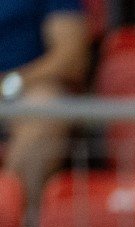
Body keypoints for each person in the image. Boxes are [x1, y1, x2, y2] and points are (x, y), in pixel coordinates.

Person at [0, 0, 88, 204]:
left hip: (26, 86)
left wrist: (11, 83)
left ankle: (11, 219)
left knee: (47, 108)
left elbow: (71, 58)